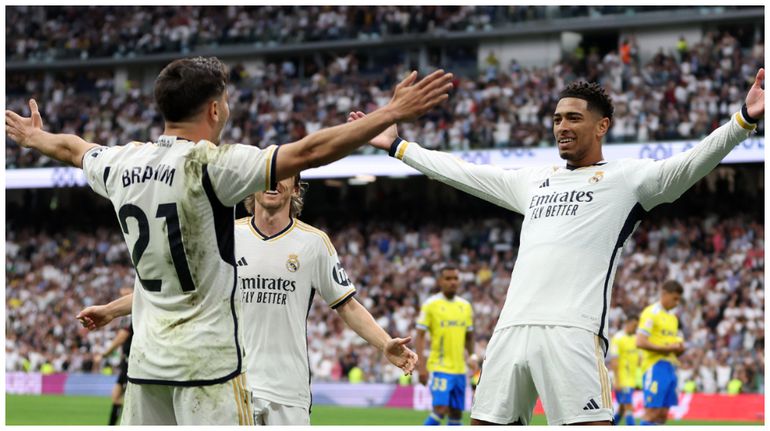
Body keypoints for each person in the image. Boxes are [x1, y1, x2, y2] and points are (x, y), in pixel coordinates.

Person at [6, 56, 453, 425]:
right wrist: (389, 113)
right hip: (208, 364)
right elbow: (310, 152)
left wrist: (32, 136)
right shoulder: (211, 165)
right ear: (215, 110)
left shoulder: (122, 161)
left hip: (145, 364)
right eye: (226, 102)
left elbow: (71, 148)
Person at [347, 68, 764, 425]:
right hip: (510, 330)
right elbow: (462, 172)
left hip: (572, 332)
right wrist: (400, 148)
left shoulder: (629, 179)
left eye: (574, 118)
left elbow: (692, 162)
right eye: (557, 118)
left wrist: (743, 120)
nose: (562, 126)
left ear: (602, 126)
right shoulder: (533, 180)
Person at [79, 174, 418, 425]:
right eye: (266, 176)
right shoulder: (224, 236)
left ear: (296, 189)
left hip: (289, 388)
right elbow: (172, 286)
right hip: (230, 384)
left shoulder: (314, 244)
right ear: (252, 186)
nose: (273, 183)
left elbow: (348, 305)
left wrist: (384, 343)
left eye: (283, 177)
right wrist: (111, 310)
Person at [415, 266, 476, 426]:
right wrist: (421, 366)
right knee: (440, 409)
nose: (452, 282)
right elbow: (419, 336)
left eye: (455, 278)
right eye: (448, 279)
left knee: (456, 414)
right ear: (440, 281)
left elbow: (469, 336)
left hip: (460, 370)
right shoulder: (431, 304)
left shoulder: (465, 306)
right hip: (439, 367)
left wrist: (472, 356)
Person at [636, 281, 685, 425]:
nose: (677, 303)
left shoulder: (673, 318)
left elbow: (675, 347)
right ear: (664, 294)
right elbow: (640, 342)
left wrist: (679, 349)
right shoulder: (651, 313)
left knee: (663, 414)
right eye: (674, 298)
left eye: (679, 300)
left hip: (671, 366)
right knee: (652, 413)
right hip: (655, 366)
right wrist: (668, 348)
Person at [93, 285, 134, 426]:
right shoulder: (127, 315)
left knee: (128, 397)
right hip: (127, 361)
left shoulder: (132, 313)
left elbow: (122, 337)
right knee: (117, 395)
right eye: (122, 294)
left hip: (132, 361)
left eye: (127, 293)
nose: (124, 296)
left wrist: (104, 354)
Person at [609, 313, 640, 425]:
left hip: (632, 379)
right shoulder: (618, 338)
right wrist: (617, 380)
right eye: (634, 325)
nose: (636, 328)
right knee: (629, 407)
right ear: (627, 323)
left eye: (637, 326)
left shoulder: (636, 338)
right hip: (622, 379)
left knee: (622, 410)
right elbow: (614, 360)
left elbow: (639, 359)